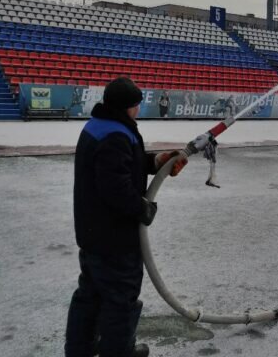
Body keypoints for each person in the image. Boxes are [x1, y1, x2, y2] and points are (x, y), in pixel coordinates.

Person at [65, 77, 188, 357]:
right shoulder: (116, 135)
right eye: (136, 106)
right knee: (120, 300)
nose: (138, 110)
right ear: (128, 107)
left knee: (91, 296)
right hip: (115, 239)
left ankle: (80, 350)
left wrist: (157, 161)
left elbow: (122, 165)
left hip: (94, 234)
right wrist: (143, 209)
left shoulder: (100, 126)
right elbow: (116, 188)